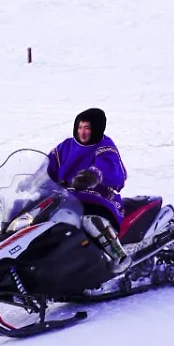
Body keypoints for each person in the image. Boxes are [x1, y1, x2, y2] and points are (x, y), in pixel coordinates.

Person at [47, 108, 131, 271]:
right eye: (80, 127)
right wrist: (32, 180)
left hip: (98, 198)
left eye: (87, 128)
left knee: (90, 219)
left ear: (97, 129)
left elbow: (109, 167)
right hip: (66, 197)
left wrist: (91, 176)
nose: (82, 132)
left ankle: (119, 255)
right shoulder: (65, 146)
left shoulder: (104, 146)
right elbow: (48, 165)